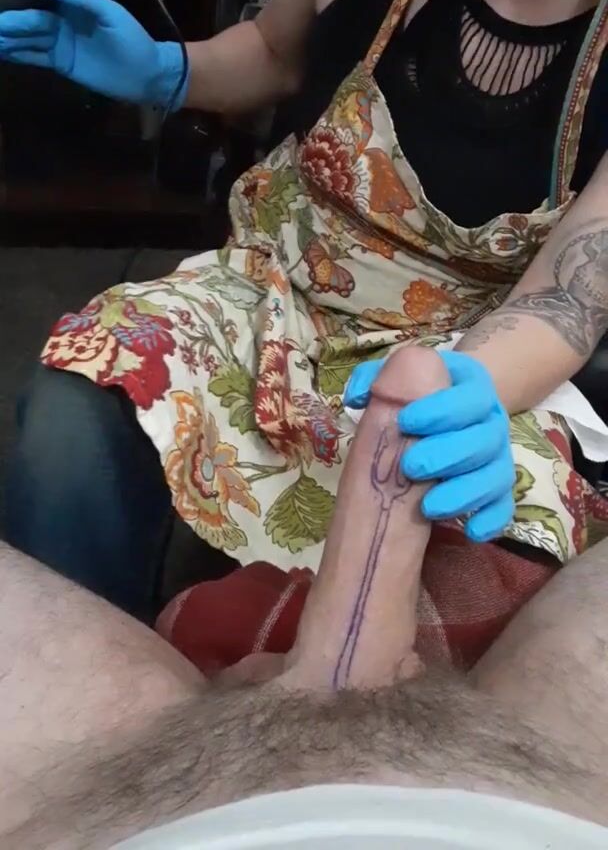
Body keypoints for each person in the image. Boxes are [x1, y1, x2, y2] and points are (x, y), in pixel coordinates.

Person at [2, 0, 608, 652]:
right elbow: (278, 52)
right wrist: (170, 69)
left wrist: (453, 393)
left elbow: (570, 294)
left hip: (480, 353)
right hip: (275, 286)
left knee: (450, 605)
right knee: (69, 419)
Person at [1, 348, 607, 849]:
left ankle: (337, 665)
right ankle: (346, 664)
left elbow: (566, 299)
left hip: (118, 815)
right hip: (544, 813)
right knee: (71, 405)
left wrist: (469, 395)